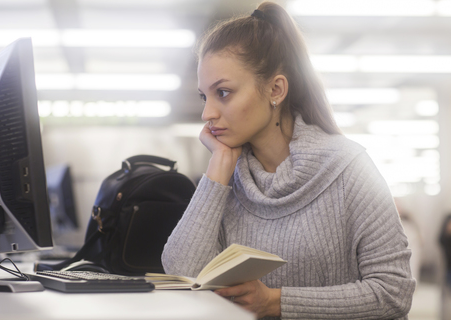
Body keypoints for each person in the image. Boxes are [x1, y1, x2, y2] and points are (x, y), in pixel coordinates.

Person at [162, 2, 416, 319]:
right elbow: (184, 272)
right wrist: (217, 170)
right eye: (204, 96)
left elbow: (394, 293)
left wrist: (275, 302)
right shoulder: (230, 180)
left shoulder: (350, 168)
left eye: (223, 92)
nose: (207, 113)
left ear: (276, 89)